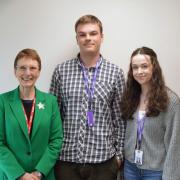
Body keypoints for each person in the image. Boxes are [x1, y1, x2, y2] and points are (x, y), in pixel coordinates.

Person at [49, 14, 125, 180]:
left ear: (101, 37)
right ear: (77, 38)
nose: (87, 38)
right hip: (66, 160)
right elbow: (53, 117)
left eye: (93, 33)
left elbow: (120, 119)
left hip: (103, 162)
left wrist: (119, 157)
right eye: (82, 34)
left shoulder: (115, 73)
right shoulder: (61, 71)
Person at [0, 48, 63, 180]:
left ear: (39, 72)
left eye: (33, 68)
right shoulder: (2, 102)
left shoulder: (51, 101)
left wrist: (39, 172)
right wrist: (20, 174)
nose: (27, 73)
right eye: (22, 68)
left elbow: (56, 140)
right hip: (11, 175)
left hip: (42, 176)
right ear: (15, 71)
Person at [120, 46, 180, 180]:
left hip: (155, 171)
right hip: (130, 167)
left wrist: (171, 177)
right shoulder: (130, 97)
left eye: (144, 66)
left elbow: (175, 144)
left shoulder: (171, 101)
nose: (139, 71)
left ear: (154, 67)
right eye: (135, 67)